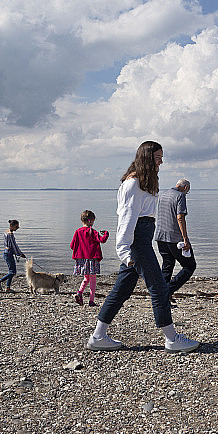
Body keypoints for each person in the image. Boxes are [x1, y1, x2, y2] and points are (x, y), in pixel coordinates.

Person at [86, 141, 199, 353]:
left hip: (143, 237)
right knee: (159, 287)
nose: (161, 162)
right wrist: (124, 251)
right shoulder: (133, 184)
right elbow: (126, 219)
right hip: (137, 241)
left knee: (122, 289)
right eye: (158, 158)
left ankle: (98, 336)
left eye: (161, 157)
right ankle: (172, 339)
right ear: (147, 158)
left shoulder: (144, 182)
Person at [154, 178, 195, 302]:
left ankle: (163, 297)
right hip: (174, 238)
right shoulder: (180, 196)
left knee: (167, 265)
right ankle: (168, 290)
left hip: (160, 236)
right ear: (185, 188)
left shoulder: (163, 195)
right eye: (187, 191)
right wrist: (185, 239)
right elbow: (180, 217)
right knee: (190, 266)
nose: (187, 193)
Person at [71, 210, 109, 307]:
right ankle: (91, 301)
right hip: (92, 259)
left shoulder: (78, 232)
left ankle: (79, 293)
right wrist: (106, 234)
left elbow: (72, 245)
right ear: (90, 221)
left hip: (82, 259)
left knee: (86, 278)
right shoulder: (93, 232)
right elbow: (102, 240)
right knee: (93, 280)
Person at [0, 219, 26, 293]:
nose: (17, 228)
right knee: (13, 272)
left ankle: (8, 288)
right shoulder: (10, 234)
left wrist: (17, 253)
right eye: (16, 227)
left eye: (18, 227)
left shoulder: (6, 232)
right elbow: (14, 246)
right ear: (11, 226)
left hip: (6, 252)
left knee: (11, 271)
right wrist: (20, 254)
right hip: (9, 253)